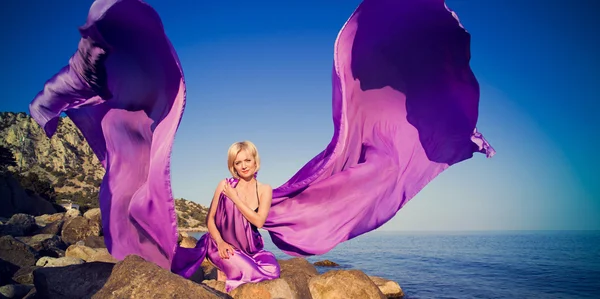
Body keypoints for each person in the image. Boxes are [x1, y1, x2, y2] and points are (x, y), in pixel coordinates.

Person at [204, 141, 280, 289]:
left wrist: (235, 198)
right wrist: (220, 242)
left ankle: (227, 271)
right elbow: (210, 219)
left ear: (255, 161)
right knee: (248, 270)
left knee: (273, 270)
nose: (244, 166)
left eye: (247, 160)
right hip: (224, 246)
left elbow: (259, 222)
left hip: (253, 249)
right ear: (233, 166)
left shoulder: (265, 189)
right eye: (238, 162)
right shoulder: (225, 185)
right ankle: (225, 276)